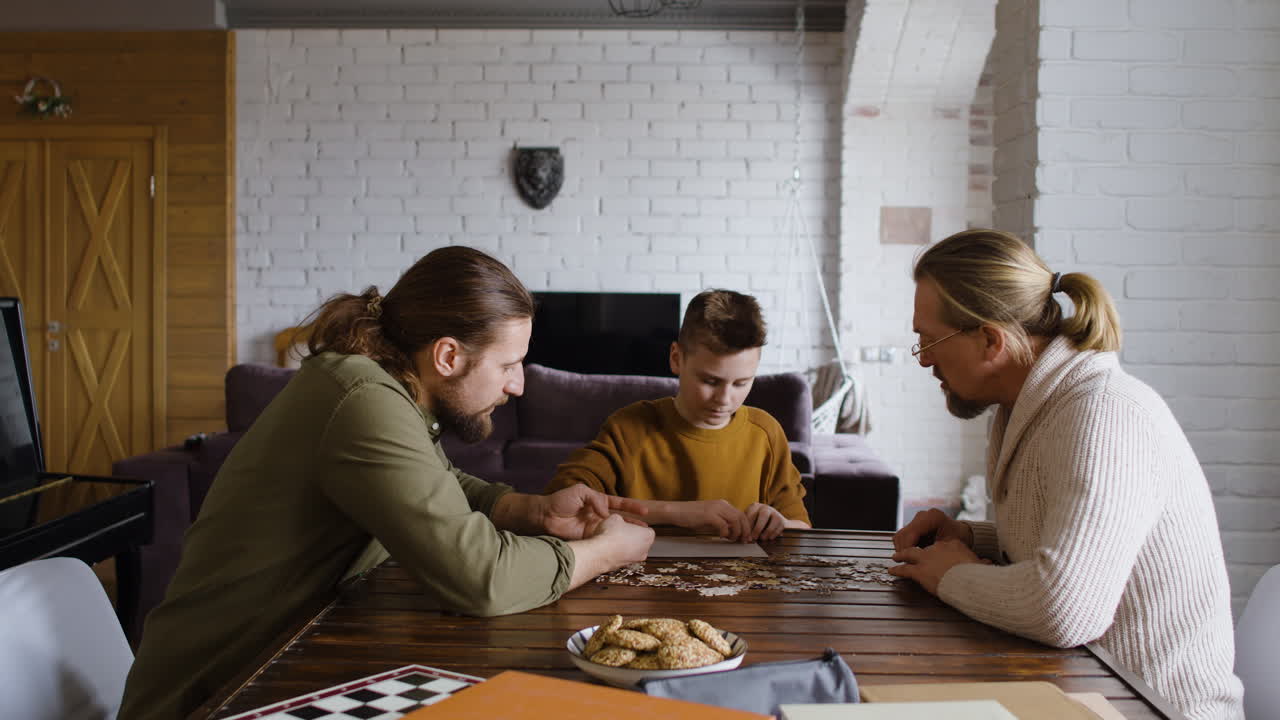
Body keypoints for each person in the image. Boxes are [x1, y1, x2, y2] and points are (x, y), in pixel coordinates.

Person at [119, 247, 655, 720]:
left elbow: (435, 479)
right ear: (448, 355)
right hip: (216, 693)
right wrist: (607, 551)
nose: (519, 384)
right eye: (510, 364)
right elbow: (481, 578)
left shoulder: (376, 383)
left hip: (290, 665)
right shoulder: (363, 400)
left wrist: (530, 512)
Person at [889, 229, 1243, 720]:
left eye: (929, 340)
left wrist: (950, 575)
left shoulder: (1104, 413)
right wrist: (974, 538)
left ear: (990, 340)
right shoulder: (1030, 405)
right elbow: (1072, 549)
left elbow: (1065, 608)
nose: (924, 358)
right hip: (1079, 690)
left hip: (1150, 709)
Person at [544, 289, 811, 543]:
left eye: (741, 383)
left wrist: (778, 523)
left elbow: (801, 527)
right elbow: (562, 503)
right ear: (676, 358)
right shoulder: (628, 427)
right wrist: (679, 513)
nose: (724, 399)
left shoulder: (766, 432)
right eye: (710, 381)